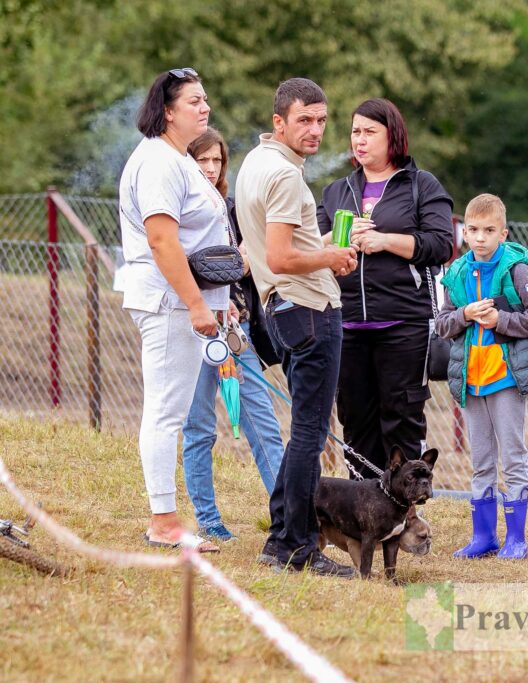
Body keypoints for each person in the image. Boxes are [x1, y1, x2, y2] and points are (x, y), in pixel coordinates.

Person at [235, 77, 358, 577]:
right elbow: (282, 256)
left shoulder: (255, 163)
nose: (315, 129)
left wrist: (326, 242)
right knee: (309, 434)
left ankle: (279, 532)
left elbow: (276, 246)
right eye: (304, 120)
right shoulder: (285, 176)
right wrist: (330, 255)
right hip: (308, 310)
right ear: (278, 121)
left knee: (302, 433)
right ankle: (296, 545)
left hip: (282, 310)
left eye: (321, 119)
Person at [117, 68, 229, 553]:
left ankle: (166, 516)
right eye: (194, 102)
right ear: (167, 111)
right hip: (169, 302)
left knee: (172, 410)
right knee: (165, 413)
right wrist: (196, 303)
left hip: (181, 301)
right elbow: (162, 241)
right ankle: (163, 521)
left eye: (205, 100)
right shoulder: (159, 162)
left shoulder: (177, 158)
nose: (204, 108)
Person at [317, 98, 454, 476]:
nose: (359, 140)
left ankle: (404, 516)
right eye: (355, 132)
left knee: (401, 420)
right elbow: (310, 245)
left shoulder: (421, 185)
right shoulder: (336, 191)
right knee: (355, 421)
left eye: (369, 132)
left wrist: (385, 241)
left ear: (392, 136)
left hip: (404, 324)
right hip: (345, 324)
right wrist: (334, 239)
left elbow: (441, 245)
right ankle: (361, 514)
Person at [434, 194, 528, 560]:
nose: (481, 237)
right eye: (473, 230)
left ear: (503, 232)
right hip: (471, 379)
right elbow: (442, 325)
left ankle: (516, 538)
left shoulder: (516, 270)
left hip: (506, 378)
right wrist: (466, 314)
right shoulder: (454, 274)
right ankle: (483, 536)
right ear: (464, 233)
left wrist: (500, 320)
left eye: (489, 230)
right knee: (481, 460)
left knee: (512, 456)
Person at [181, 127, 285, 543]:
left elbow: (258, 261)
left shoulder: (231, 209)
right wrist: (230, 264)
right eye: (201, 159)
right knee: (200, 428)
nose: (209, 168)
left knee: (263, 423)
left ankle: (290, 515)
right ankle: (208, 520)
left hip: (233, 331)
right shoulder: (179, 211)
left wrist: (246, 263)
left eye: (216, 160)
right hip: (191, 331)